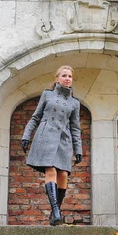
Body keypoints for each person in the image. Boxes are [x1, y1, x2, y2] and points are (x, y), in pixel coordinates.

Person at [21, 65, 82, 225]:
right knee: (51, 169)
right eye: (64, 75)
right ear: (57, 78)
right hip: (46, 135)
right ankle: (56, 211)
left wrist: (78, 149)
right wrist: (26, 135)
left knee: (63, 174)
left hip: (64, 139)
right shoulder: (47, 95)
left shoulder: (75, 103)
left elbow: (75, 127)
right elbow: (36, 117)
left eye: (69, 76)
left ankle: (55, 213)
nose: (67, 78)